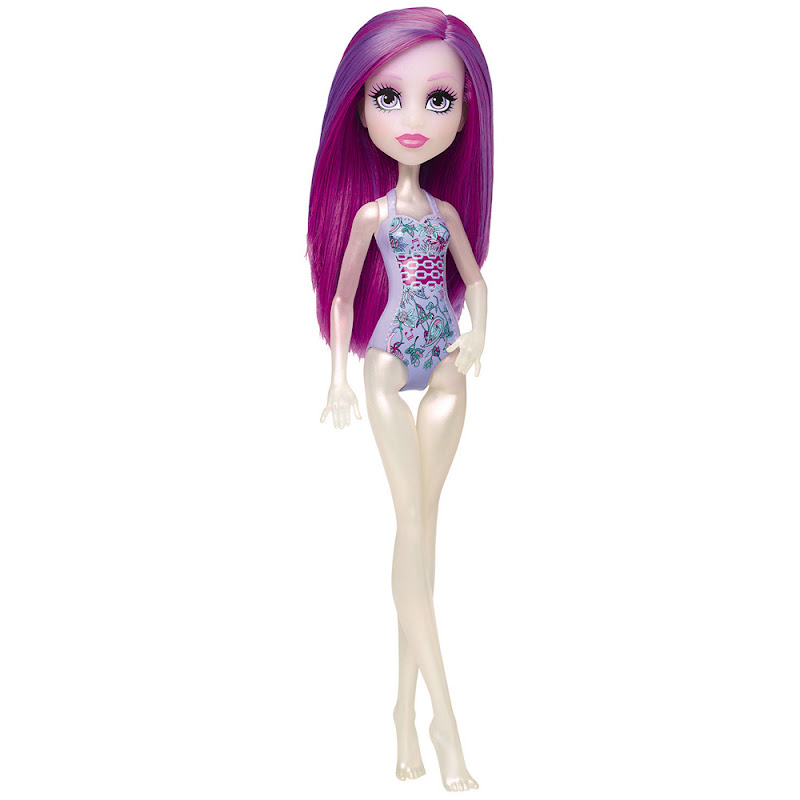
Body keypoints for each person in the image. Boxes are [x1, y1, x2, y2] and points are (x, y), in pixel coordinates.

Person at [307, 7, 492, 791]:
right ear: (361, 110)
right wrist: (337, 376)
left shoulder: (446, 214)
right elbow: (344, 298)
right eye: (389, 96)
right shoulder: (371, 215)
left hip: (443, 363)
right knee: (410, 524)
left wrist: (478, 337)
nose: (414, 117)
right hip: (386, 364)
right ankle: (443, 724)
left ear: (464, 115)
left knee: (427, 533)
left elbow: (476, 282)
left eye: (438, 99)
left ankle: (403, 713)